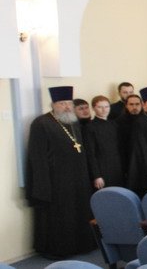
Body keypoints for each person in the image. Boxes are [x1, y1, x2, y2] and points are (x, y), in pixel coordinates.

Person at [25, 86, 96, 258]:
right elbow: (37, 157)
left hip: (78, 178)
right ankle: (59, 250)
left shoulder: (73, 122)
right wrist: (43, 185)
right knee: (60, 216)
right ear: (53, 105)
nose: (67, 107)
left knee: (79, 212)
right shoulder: (41, 123)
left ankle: (81, 245)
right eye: (62, 103)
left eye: (69, 103)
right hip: (56, 180)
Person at [83, 95, 124, 188]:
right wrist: (96, 176)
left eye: (106, 106)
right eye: (100, 107)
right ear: (93, 108)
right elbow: (90, 153)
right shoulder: (89, 127)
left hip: (117, 168)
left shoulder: (114, 124)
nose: (104, 110)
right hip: (102, 170)